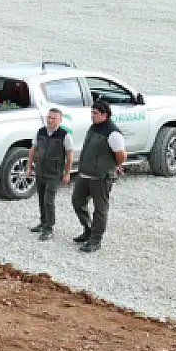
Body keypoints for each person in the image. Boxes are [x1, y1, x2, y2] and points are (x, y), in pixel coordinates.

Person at [71, 100, 125, 254]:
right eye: (92, 112)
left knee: (100, 209)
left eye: (95, 113)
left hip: (101, 177)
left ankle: (95, 240)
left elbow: (121, 155)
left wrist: (114, 165)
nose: (92, 116)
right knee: (77, 202)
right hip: (85, 175)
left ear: (104, 115)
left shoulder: (113, 133)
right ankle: (88, 229)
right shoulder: (93, 128)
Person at [27, 107, 74, 241]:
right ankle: (43, 223)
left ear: (60, 120)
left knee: (49, 200)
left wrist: (67, 174)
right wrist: (29, 167)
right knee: (41, 199)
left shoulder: (65, 135)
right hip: (40, 171)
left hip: (54, 173)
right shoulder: (40, 132)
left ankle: (49, 228)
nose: (50, 120)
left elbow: (70, 155)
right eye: (49, 117)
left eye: (54, 118)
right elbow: (33, 150)